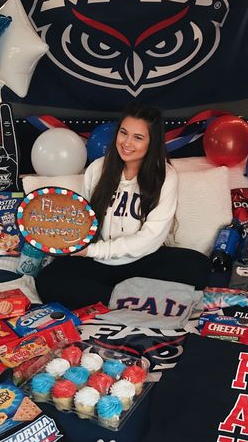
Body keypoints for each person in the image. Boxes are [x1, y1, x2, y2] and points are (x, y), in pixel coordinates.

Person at [36, 103, 211, 309]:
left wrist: (96, 251)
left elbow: (151, 238)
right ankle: (127, 298)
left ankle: (113, 297)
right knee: (47, 280)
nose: (127, 143)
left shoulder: (165, 176)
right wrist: (68, 243)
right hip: (98, 263)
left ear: (151, 142)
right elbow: (82, 221)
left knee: (198, 266)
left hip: (144, 260)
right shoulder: (97, 169)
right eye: (123, 133)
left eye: (138, 137)